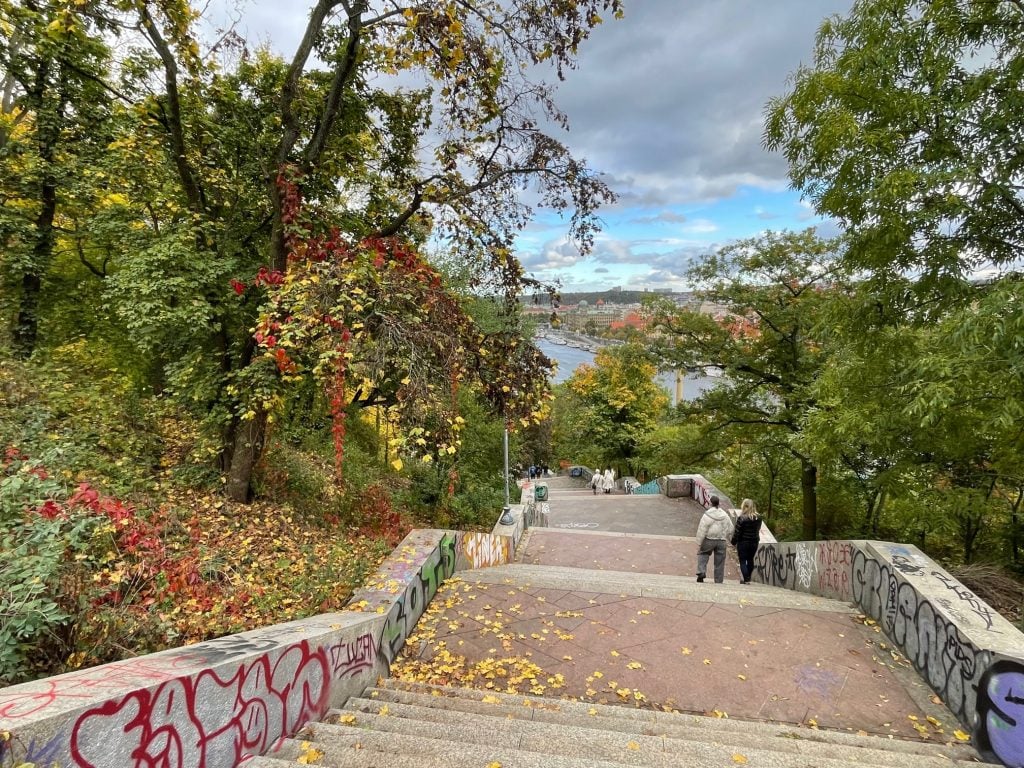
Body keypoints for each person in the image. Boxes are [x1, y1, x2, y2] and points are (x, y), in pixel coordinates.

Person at [695, 495, 733, 584]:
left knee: (703, 554)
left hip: (709, 539)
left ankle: (701, 572)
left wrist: (700, 543)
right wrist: (724, 535)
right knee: (720, 561)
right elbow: (731, 528)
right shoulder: (725, 515)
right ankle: (718, 581)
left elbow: (702, 529)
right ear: (718, 504)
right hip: (722, 541)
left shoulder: (707, 514)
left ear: (710, 503)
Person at [731, 498, 762, 584]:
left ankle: (746, 578)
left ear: (744, 506)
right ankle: (748, 577)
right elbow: (758, 529)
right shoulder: (758, 518)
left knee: (743, 560)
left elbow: (737, 532)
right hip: (754, 542)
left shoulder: (742, 518)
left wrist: (733, 542)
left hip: (743, 542)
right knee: (750, 559)